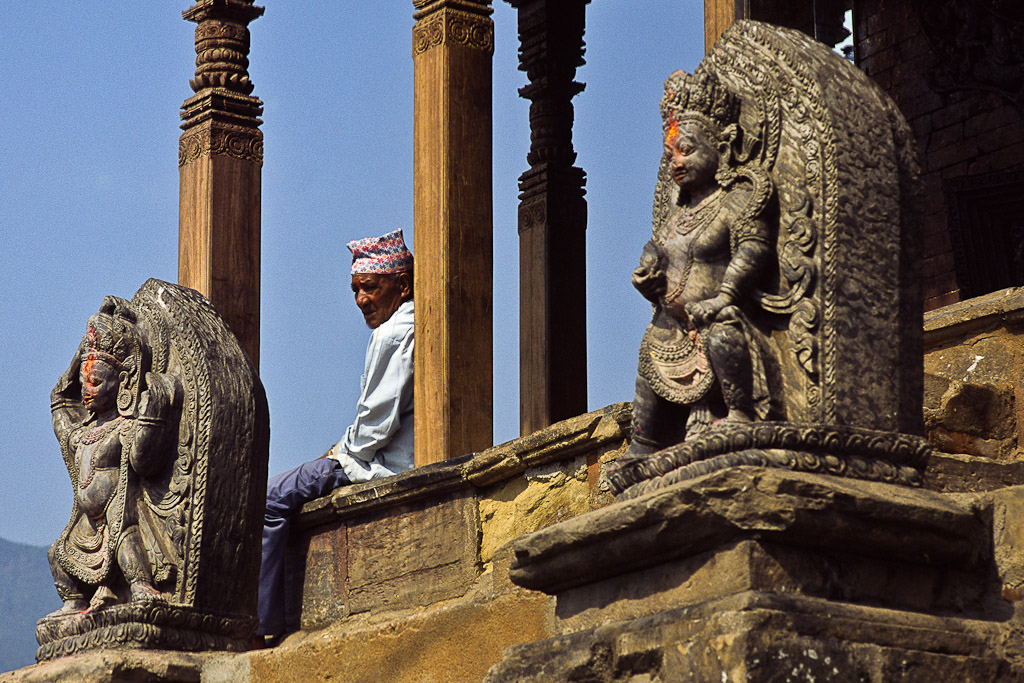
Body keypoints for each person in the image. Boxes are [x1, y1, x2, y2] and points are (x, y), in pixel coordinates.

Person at [258, 228, 415, 639]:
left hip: (373, 463)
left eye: (370, 288)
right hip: (379, 456)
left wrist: (337, 451)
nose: (362, 300)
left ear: (402, 285)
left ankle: (260, 626)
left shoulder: (394, 333)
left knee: (269, 501)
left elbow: (370, 433)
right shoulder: (411, 323)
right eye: (356, 290)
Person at [628, 69, 773, 455]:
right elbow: (660, 257)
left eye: (687, 150)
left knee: (722, 333)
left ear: (722, 149)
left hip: (721, 316)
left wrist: (725, 297)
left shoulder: (733, 203)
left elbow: (753, 251)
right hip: (674, 325)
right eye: (671, 153)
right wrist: (648, 277)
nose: (677, 161)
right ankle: (644, 441)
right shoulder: (676, 217)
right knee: (649, 345)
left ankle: (740, 412)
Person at [46, 299, 180, 615]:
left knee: (126, 546)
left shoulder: (124, 427)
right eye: (82, 382)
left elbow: (143, 462)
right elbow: (59, 398)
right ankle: (74, 601)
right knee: (56, 555)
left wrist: (153, 413)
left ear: (122, 382)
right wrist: (88, 341)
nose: (85, 390)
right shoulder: (78, 434)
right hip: (84, 527)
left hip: (118, 520)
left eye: (95, 381)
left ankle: (139, 586)